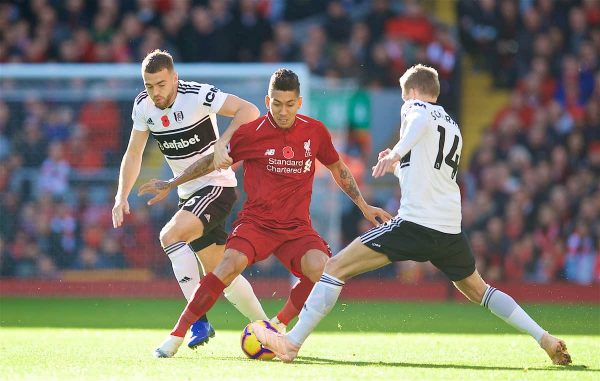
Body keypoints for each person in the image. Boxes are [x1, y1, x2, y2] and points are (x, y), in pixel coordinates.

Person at [251, 64, 572, 366]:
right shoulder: (453, 125)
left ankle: (291, 343)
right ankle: (543, 337)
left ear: (414, 93)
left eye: (406, 97)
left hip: (415, 223)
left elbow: (416, 120)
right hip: (449, 230)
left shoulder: (416, 108)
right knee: (481, 291)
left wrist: (396, 152)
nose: (405, 104)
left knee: (334, 268)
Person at [138, 68, 392, 358]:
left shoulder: (315, 131)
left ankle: (277, 325)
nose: (282, 111)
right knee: (226, 266)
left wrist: (364, 205)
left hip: (296, 228)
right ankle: (176, 335)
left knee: (324, 270)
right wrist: (172, 183)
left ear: (298, 102)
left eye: (288, 104)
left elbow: (338, 169)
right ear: (267, 100)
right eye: (276, 104)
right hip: (256, 224)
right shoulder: (251, 133)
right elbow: (211, 162)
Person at [112, 49, 269, 349]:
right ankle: (269, 329)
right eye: (149, 86)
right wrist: (121, 195)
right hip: (189, 194)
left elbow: (249, 110)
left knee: (170, 235)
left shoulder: (197, 95)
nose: (155, 92)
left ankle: (197, 321)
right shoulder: (143, 107)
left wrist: (224, 142)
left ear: (174, 78)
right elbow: (133, 153)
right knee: (222, 274)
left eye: (161, 84)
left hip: (216, 186)